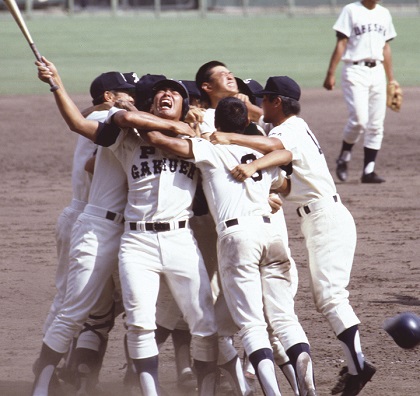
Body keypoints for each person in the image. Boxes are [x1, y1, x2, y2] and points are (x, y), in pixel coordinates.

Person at [36, 58, 219, 396]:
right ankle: (53, 382)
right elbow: (90, 126)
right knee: (103, 314)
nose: (166, 94)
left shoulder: (197, 142)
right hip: (122, 233)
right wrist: (57, 82)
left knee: (201, 320)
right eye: (159, 92)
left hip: (174, 236)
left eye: (175, 93)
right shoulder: (123, 132)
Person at [211, 76, 377, 396]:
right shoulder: (295, 127)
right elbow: (284, 178)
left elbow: (275, 147)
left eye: (264, 99)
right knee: (325, 298)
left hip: (325, 218)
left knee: (330, 297)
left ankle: (357, 367)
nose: (259, 104)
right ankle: (354, 365)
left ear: (277, 102)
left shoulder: (284, 131)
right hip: (321, 216)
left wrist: (227, 137)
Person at [142, 96, 318, 396]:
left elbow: (161, 141)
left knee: (252, 327)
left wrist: (147, 119)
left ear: (219, 124)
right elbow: (284, 160)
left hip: (239, 239)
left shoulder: (211, 151)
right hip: (272, 238)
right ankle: (307, 382)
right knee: (285, 321)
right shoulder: (256, 149)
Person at [323, 0, 398, 184]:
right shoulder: (351, 10)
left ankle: (369, 170)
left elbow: (386, 48)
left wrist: (392, 79)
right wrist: (330, 73)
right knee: (359, 120)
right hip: (355, 70)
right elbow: (341, 42)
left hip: (378, 70)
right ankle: (344, 156)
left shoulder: (384, 13)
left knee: (376, 124)